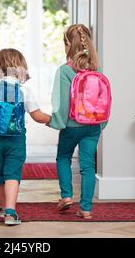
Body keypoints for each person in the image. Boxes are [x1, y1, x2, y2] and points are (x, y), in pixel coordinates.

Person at [0, 49, 51, 225]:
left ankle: (1, 206)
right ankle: (10, 212)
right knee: (12, 174)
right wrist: (52, 120)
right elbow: (38, 116)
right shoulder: (23, 90)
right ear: (21, 68)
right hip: (16, 140)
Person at [48, 24, 108, 220]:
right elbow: (103, 100)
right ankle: (86, 209)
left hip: (72, 126)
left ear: (67, 44)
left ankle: (66, 196)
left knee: (63, 157)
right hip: (93, 127)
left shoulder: (65, 71)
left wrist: (56, 123)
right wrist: (101, 125)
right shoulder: (98, 70)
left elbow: (62, 104)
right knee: (88, 166)